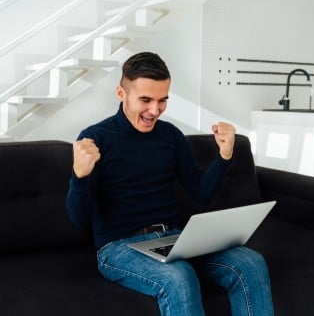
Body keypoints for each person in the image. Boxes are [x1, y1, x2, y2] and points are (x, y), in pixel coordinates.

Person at [66, 52, 274, 316]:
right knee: (178, 276)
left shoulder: (171, 136)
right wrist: (80, 175)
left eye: (162, 100)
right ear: (121, 93)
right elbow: (79, 217)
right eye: (146, 100)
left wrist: (224, 156)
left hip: (174, 239)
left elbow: (201, 193)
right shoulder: (95, 138)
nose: (155, 111)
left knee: (250, 263)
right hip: (119, 247)